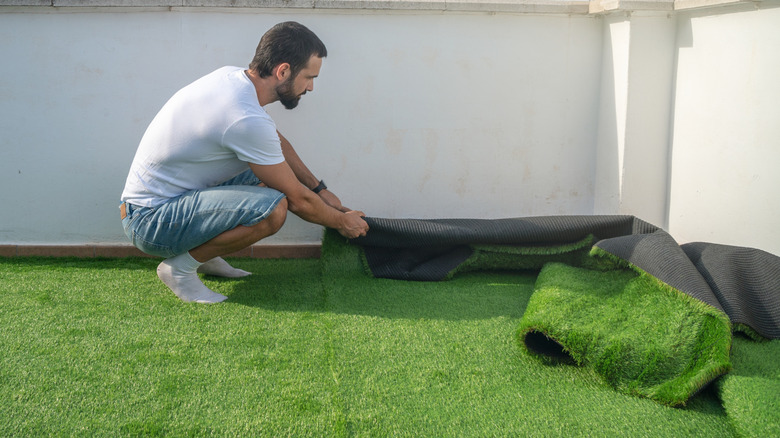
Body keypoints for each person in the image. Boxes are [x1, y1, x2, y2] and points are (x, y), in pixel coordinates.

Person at [119, 21, 369, 304]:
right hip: (151, 221)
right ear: (283, 71)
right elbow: (298, 199)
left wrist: (319, 189)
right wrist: (341, 221)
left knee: (265, 179)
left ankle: (205, 257)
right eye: (309, 77)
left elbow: (274, 143)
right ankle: (179, 269)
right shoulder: (244, 117)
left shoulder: (233, 80)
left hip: (160, 205)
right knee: (274, 208)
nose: (310, 87)